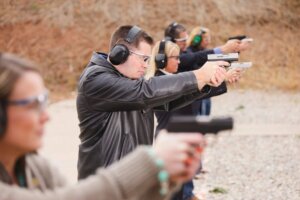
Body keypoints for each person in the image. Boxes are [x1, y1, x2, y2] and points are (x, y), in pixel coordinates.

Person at [0, 52, 206, 200]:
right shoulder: (96, 79)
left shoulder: (35, 168)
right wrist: (152, 162)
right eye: (32, 105)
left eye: (44, 102)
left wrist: (164, 178)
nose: (46, 116)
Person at [76, 25, 228, 180]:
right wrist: (198, 75)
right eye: (143, 58)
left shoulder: (130, 79)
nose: (146, 64)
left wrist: (205, 82)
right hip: (104, 186)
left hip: (131, 180)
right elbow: (145, 92)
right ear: (120, 53)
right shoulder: (95, 80)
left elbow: (167, 100)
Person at [148, 40, 242, 200]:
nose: (179, 61)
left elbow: (193, 91)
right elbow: (187, 91)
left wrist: (220, 80)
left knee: (179, 188)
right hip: (171, 141)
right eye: (175, 58)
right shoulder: (158, 82)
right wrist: (220, 79)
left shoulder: (169, 78)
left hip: (178, 138)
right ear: (161, 59)